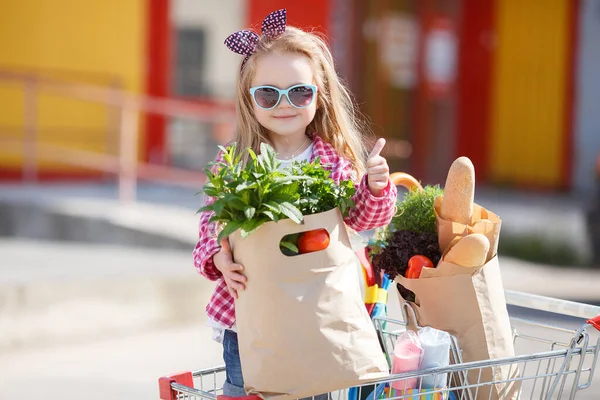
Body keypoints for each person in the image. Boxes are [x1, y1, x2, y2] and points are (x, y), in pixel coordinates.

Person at [193, 9, 397, 397]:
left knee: (313, 388)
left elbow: (361, 218)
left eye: (299, 92)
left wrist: (374, 187)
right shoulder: (234, 163)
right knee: (246, 391)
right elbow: (210, 229)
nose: (284, 104)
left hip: (315, 315)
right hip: (250, 315)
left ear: (319, 96)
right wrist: (219, 259)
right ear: (249, 100)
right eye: (268, 93)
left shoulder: (333, 160)